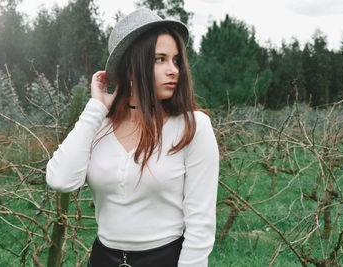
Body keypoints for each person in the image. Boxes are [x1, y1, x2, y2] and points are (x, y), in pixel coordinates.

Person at [46, 8, 219, 267]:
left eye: (176, 60)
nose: (173, 70)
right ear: (131, 66)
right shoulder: (100, 125)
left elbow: (201, 222)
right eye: (160, 59)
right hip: (103, 259)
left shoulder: (193, 126)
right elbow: (60, 180)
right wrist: (95, 110)